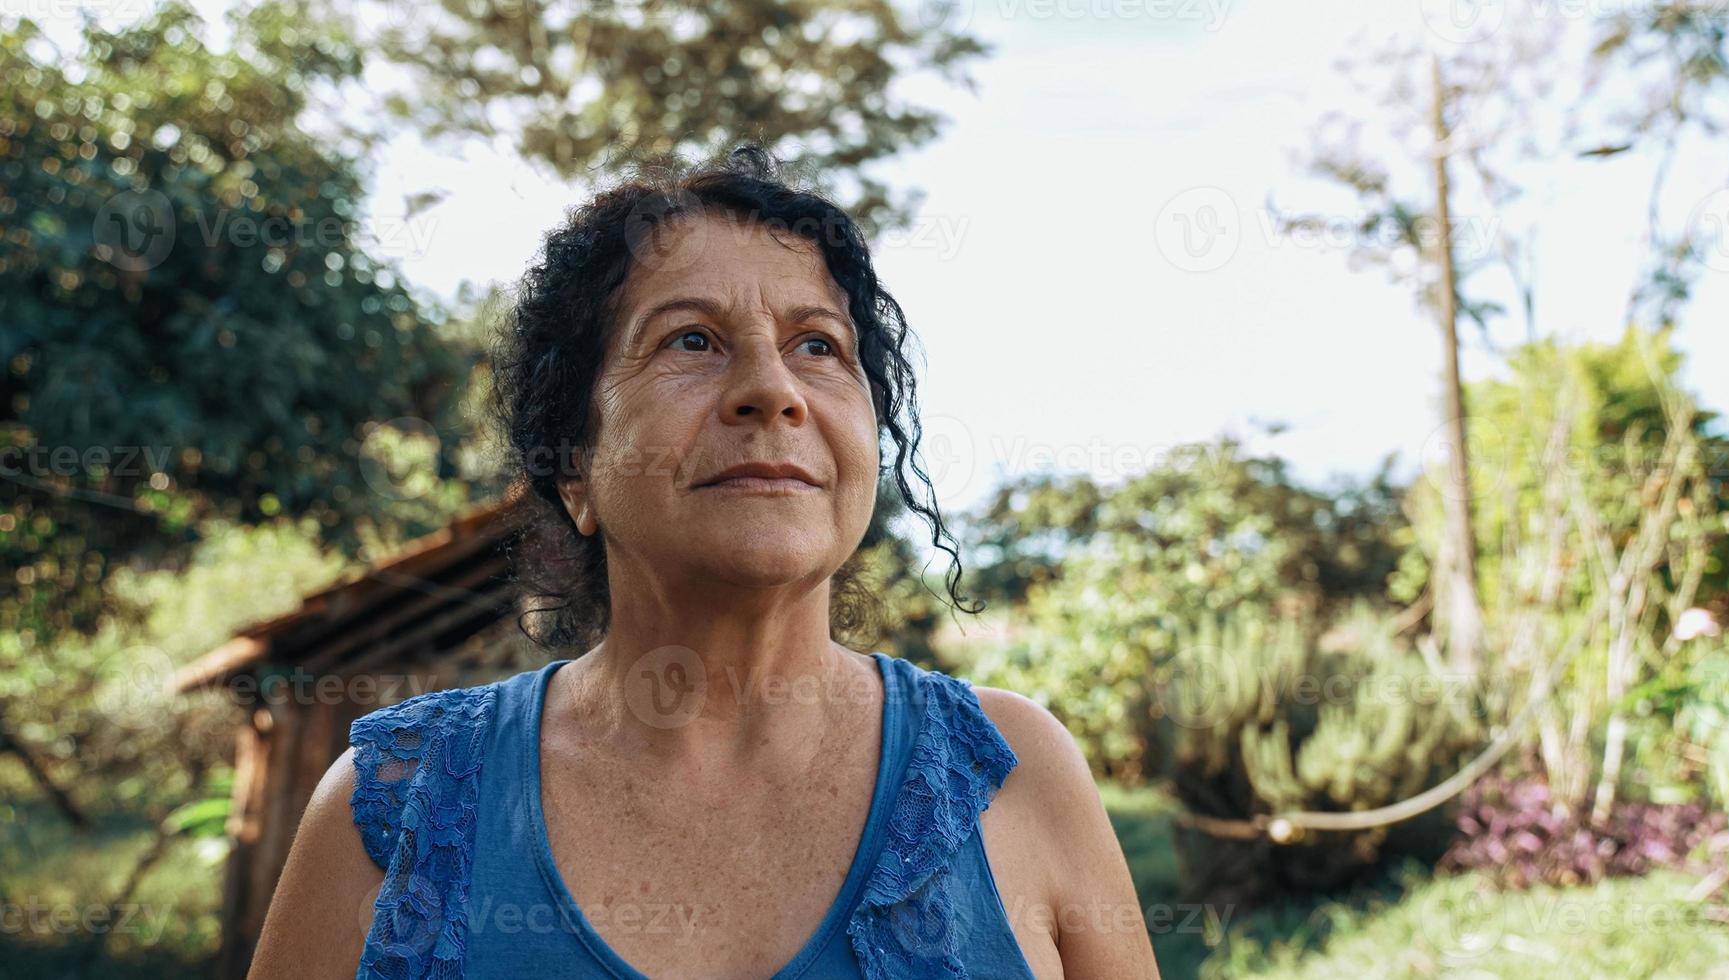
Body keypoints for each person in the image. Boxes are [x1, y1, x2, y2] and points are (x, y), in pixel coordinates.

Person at [248, 145, 1159, 979]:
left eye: (819, 347)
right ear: (575, 471)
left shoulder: (1015, 772)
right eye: (692, 339)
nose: (774, 390)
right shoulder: (392, 812)